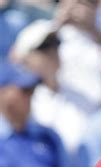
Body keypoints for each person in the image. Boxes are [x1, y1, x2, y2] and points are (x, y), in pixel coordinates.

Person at [9, 19, 89, 155]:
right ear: (25, 57)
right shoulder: (20, 99)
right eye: (44, 47)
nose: (53, 51)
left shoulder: (80, 90)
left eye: (56, 44)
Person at [0, 61, 75, 167]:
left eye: (32, 90)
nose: (30, 96)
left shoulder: (49, 136)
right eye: (24, 90)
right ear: (2, 93)